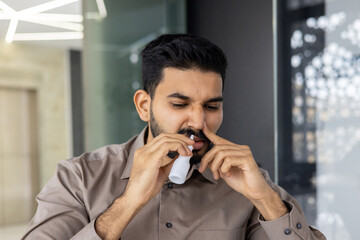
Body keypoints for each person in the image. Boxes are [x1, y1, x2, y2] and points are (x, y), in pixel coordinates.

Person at [22, 34, 326, 240]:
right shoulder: (79, 178)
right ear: (144, 105)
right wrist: (129, 203)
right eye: (179, 105)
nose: (198, 120)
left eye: (211, 106)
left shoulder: (246, 183)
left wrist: (265, 199)